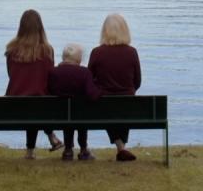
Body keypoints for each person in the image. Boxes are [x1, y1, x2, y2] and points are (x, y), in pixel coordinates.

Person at [4, 9, 62, 158]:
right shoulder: (47, 51)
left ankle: (31, 150)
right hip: (40, 105)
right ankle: (50, 137)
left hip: (13, 105)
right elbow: (50, 79)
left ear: (21, 28)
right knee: (37, 101)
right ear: (40, 28)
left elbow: (11, 75)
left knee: (32, 100)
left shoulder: (11, 50)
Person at [88, 12, 142, 162]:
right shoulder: (132, 52)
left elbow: (89, 80)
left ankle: (120, 147)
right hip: (127, 101)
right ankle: (121, 148)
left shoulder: (97, 52)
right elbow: (137, 81)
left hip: (104, 102)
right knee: (123, 106)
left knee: (107, 106)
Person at [47, 42, 102, 161]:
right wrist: (100, 90)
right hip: (82, 115)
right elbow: (92, 95)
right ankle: (83, 150)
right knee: (81, 113)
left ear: (63, 57)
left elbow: (49, 91)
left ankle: (68, 150)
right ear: (78, 58)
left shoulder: (53, 72)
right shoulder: (84, 72)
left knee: (68, 115)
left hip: (59, 115)